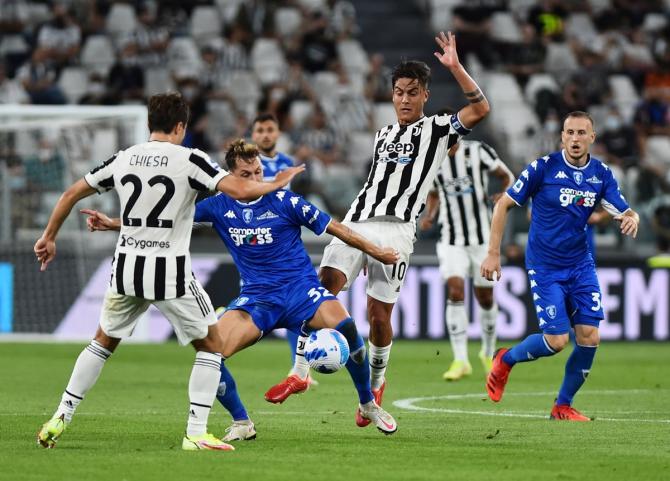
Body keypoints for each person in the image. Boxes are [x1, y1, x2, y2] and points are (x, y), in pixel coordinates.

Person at [34, 92, 304, 450]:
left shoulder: (124, 157)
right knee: (212, 346)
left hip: (126, 268)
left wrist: (49, 237)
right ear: (181, 126)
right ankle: (196, 431)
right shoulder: (190, 159)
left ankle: (61, 416)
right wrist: (274, 181)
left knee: (102, 342)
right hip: (169, 273)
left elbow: (70, 193)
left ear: (149, 124)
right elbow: (238, 189)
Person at [82, 139, 401, 437]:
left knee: (347, 327)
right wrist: (112, 222)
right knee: (211, 353)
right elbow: (162, 219)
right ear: (230, 177)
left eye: (258, 172)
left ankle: (367, 404)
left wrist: (377, 252)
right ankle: (242, 421)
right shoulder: (218, 206)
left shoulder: (285, 200)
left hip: (300, 291)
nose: (255, 179)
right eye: (246, 174)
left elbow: (337, 228)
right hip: (257, 300)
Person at [265, 32, 490, 425]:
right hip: (356, 222)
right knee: (319, 290)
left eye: (412, 92)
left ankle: (375, 384)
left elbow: (481, 108)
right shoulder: (383, 134)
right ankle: (298, 373)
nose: (403, 99)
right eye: (398, 92)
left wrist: (455, 68)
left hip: (398, 231)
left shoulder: (437, 129)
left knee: (377, 317)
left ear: (424, 96)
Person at [481, 111, 639, 421]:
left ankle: (562, 406)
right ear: (562, 136)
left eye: (582, 133)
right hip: (545, 266)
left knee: (590, 336)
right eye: (570, 132)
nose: (576, 138)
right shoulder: (544, 168)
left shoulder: (601, 174)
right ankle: (505, 359)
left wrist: (633, 218)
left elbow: (625, 210)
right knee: (556, 341)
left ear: (592, 137)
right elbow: (503, 204)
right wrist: (493, 253)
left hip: (580, 265)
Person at [419, 139, 514, 381]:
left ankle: (488, 351)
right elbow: (433, 193)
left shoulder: (478, 151)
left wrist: (505, 195)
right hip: (451, 240)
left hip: (482, 239)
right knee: (456, 290)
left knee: (485, 297)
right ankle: (460, 359)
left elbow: (506, 175)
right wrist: (430, 215)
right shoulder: (435, 160)